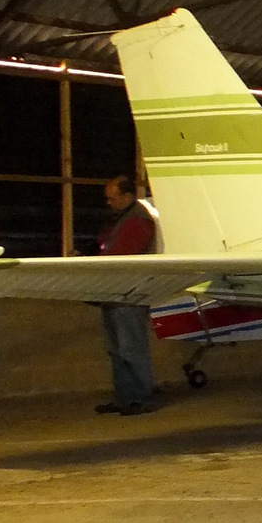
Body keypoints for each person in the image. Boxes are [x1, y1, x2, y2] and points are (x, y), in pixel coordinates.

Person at [95, 175, 158, 416]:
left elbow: (120, 255)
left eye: (112, 198)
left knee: (131, 348)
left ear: (127, 197)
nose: (108, 203)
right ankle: (126, 397)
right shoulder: (125, 219)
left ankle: (141, 397)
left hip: (129, 294)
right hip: (117, 293)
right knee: (119, 349)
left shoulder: (136, 221)